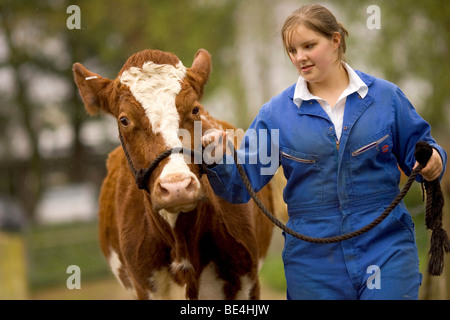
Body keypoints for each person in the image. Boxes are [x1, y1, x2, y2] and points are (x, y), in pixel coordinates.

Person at [201, 4, 447, 300]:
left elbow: (421, 149)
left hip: (386, 248)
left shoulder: (386, 98)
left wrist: (433, 161)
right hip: (313, 263)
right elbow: (240, 185)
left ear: (335, 41)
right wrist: (214, 157)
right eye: (292, 50)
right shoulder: (276, 115)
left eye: (308, 45)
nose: (299, 57)